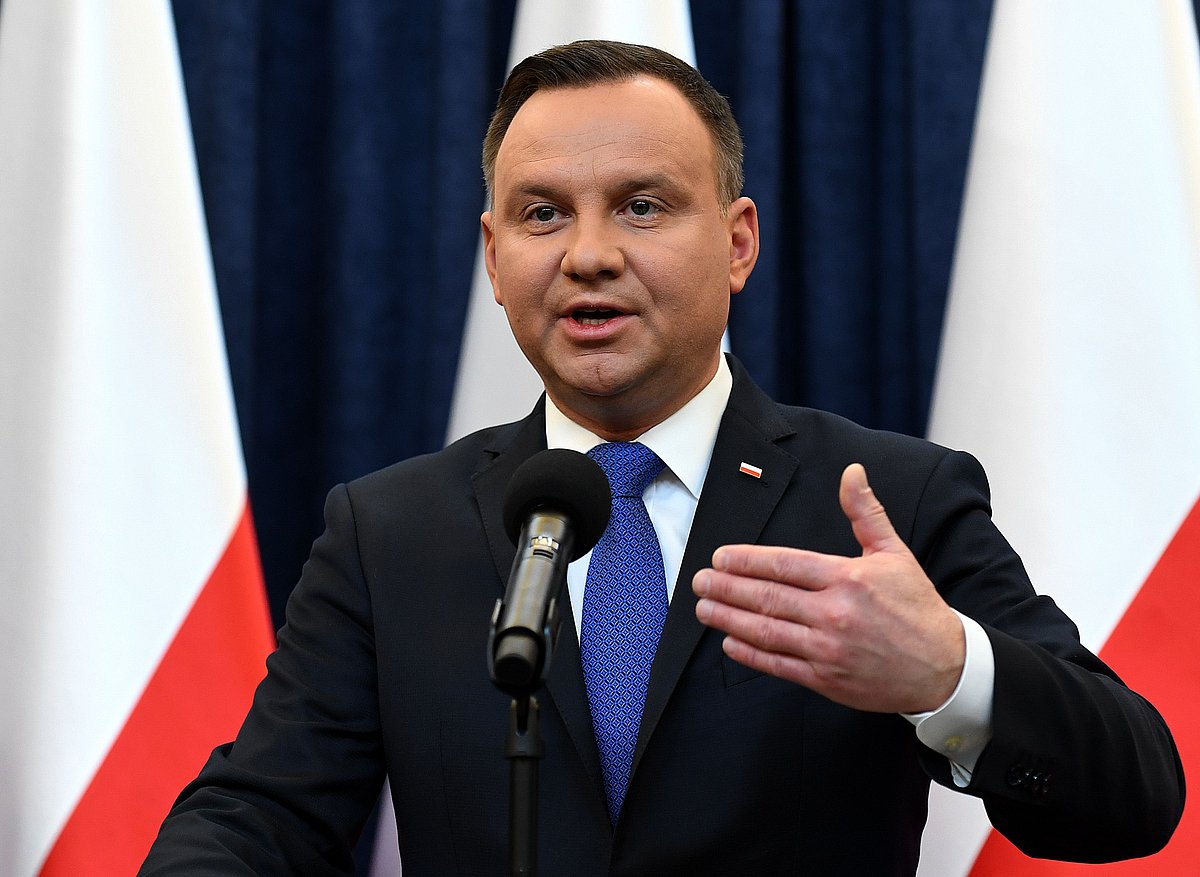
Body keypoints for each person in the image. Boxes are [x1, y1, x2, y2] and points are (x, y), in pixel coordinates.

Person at [140, 40, 1183, 876]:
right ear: (495, 259)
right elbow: (261, 814)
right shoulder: (391, 530)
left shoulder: (888, 500)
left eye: (642, 206)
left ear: (737, 242)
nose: (589, 253)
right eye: (544, 214)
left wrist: (949, 672)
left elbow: (1135, 791)